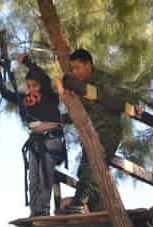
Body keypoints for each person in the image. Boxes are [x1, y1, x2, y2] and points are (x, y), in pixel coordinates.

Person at [61, 48, 143, 213]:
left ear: (88, 64)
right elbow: (76, 114)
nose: (75, 72)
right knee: (86, 169)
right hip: (90, 134)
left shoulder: (105, 80)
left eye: (77, 67)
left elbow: (127, 94)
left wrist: (136, 104)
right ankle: (95, 205)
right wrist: (58, 118)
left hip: (108, 132)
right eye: (72, 69)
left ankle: (79, 202)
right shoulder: (79, 88)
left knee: (92, 165)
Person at [0, 54, 67, 217]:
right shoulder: (25, 100)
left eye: (35, 85)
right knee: (33, 177)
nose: (31, 88)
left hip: (51, 138)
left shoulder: (49, 95)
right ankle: (35, 211)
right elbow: (6, 93)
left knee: (44, 175)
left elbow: (42, 77)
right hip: (35, 141)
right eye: (28, 85)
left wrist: (26, 61)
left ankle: (43, 210)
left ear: (40, 85)